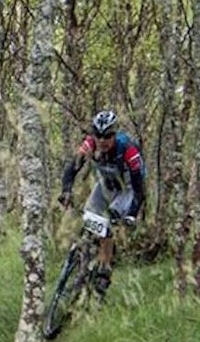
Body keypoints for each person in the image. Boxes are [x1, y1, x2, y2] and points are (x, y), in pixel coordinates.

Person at [58, 109, 146, 297]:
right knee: (90, 215)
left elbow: (139, 191)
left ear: (115, 134)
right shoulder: (90, 144)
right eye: (98, 135)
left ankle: (103, 274)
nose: (102, 140)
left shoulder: (128, 150)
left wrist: (131, 214)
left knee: (110, 223)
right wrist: (66, 191)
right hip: (105, 185)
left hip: (127, 188)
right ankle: (81, 265)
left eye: (107, 135)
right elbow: (72, 168)